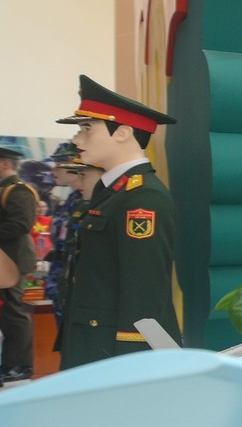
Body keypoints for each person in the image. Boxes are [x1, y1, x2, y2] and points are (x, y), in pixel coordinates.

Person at [56, 75, 179, 368]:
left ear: (122, 133)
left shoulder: (142, 199)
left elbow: (144, 290)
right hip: (93, 343)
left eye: (87, 129)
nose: (77, 140)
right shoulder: (111, 192)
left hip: (115, 351)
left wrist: (131, 362)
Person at [44, 144, 100, 328]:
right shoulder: (73, 199)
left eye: (59, 164)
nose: (54, 170)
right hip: (61, 279)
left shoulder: (93, 201)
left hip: (78, 285)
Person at [0, 146, 39, 381]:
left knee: (14, 314)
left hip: (12, 263)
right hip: (4, 261)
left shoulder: (18, 191)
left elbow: (21, 225)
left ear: (5, 164)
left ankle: (19, 365)